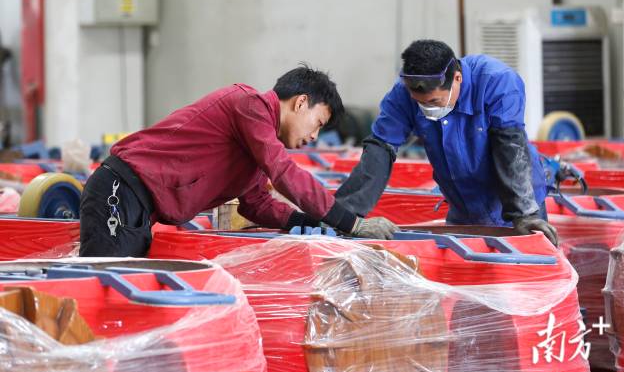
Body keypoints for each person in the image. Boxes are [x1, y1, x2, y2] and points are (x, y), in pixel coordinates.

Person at [79, 65, 398, 257]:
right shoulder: (249, 104)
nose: (314, 136)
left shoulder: (256, 146)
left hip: (137, 207)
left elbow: (256, 204)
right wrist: (351, 222)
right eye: (317, 123)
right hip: (120, 192)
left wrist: (311, 223)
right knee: (108, 292)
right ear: (301, 103)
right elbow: (283, 172)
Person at [335, 40, 558, 245]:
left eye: (434, 101)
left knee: (518, 271)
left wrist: (524, 213)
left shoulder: (497, 81)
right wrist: (344, 216)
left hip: (515, 202)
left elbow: (509, 144)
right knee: (465, 272)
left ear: (457, 79)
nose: (427, 108)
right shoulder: (402, 93)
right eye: (419, 103)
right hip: (463, 205)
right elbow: (380, 147)